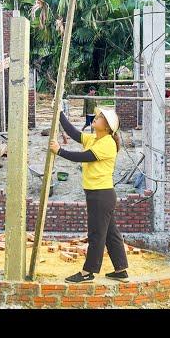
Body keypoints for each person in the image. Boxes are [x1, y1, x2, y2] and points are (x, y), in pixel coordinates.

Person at [49, 107, 129, 284]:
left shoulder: (107, 143)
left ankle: (88, 272)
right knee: (110, 233)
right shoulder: (94, 138)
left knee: (96, 234)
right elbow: (74, 133)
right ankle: (121, 270)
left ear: (107, 127)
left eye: (100, 117)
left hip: (101, 195)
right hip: (100, 195)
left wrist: (59, 151)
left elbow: (83, 157)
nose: (96, 118)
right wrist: (59, 112)